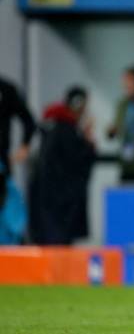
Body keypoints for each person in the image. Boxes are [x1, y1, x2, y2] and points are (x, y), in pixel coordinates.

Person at [29, 86, 96, 245]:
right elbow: (77, 161)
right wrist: (88, 143)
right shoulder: (67, 130)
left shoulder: (51, 126)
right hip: (61, 202)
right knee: (58, 244)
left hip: (44, 197)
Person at [0, 77, 36, 176]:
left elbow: (28, 120)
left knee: (9, 189)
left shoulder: (6, 89)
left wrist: (25, 145)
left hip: (1, 158)